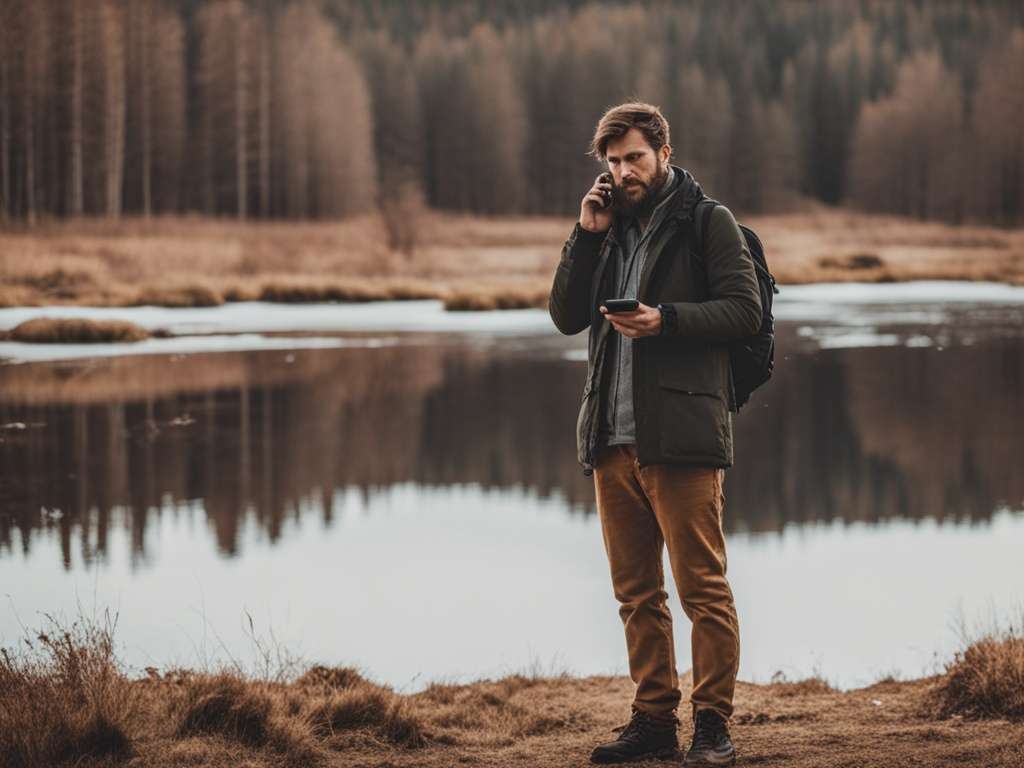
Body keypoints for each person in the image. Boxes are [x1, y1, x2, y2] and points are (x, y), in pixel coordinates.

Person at [548, 102, 762, 766]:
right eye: (612, 161)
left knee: (702, 590)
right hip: (612, 442)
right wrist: (586, 235)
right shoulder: (608, 228)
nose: (622, 171)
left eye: (634, 157)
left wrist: (665, 320)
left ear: (664, 153)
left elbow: (745, 311)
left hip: (684, 440)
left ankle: (713, 727)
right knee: (635, 593)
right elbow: (564, 316)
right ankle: (652, 723)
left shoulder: (708, 222)